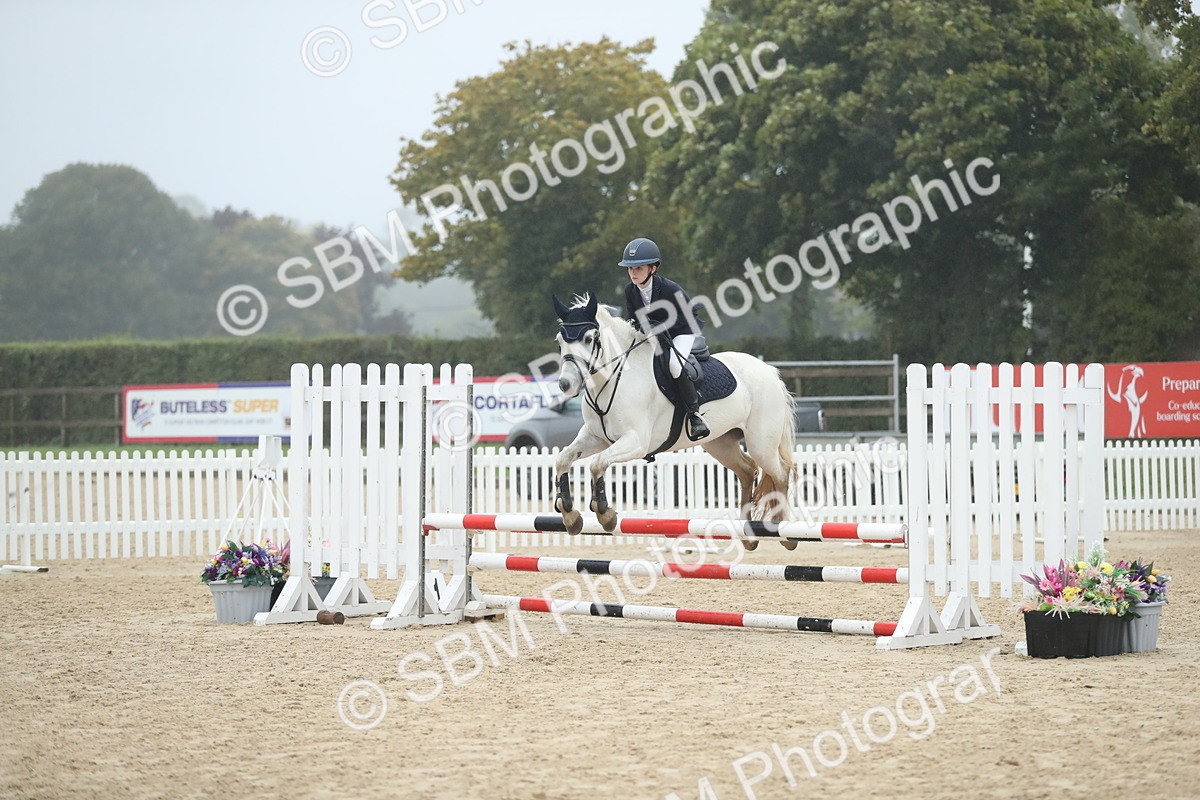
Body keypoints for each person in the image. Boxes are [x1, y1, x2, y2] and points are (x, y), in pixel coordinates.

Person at [619, 237, 710, 440]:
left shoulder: (670, 289)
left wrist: (661, 328)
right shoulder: (630, 291)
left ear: (652, 268)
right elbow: (633, 318)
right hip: (653, 336)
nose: (633, 273)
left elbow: (688, 316)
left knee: (674, 366)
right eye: (630, 269)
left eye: (638, 268)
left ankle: (695, 415)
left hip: (682, 332)